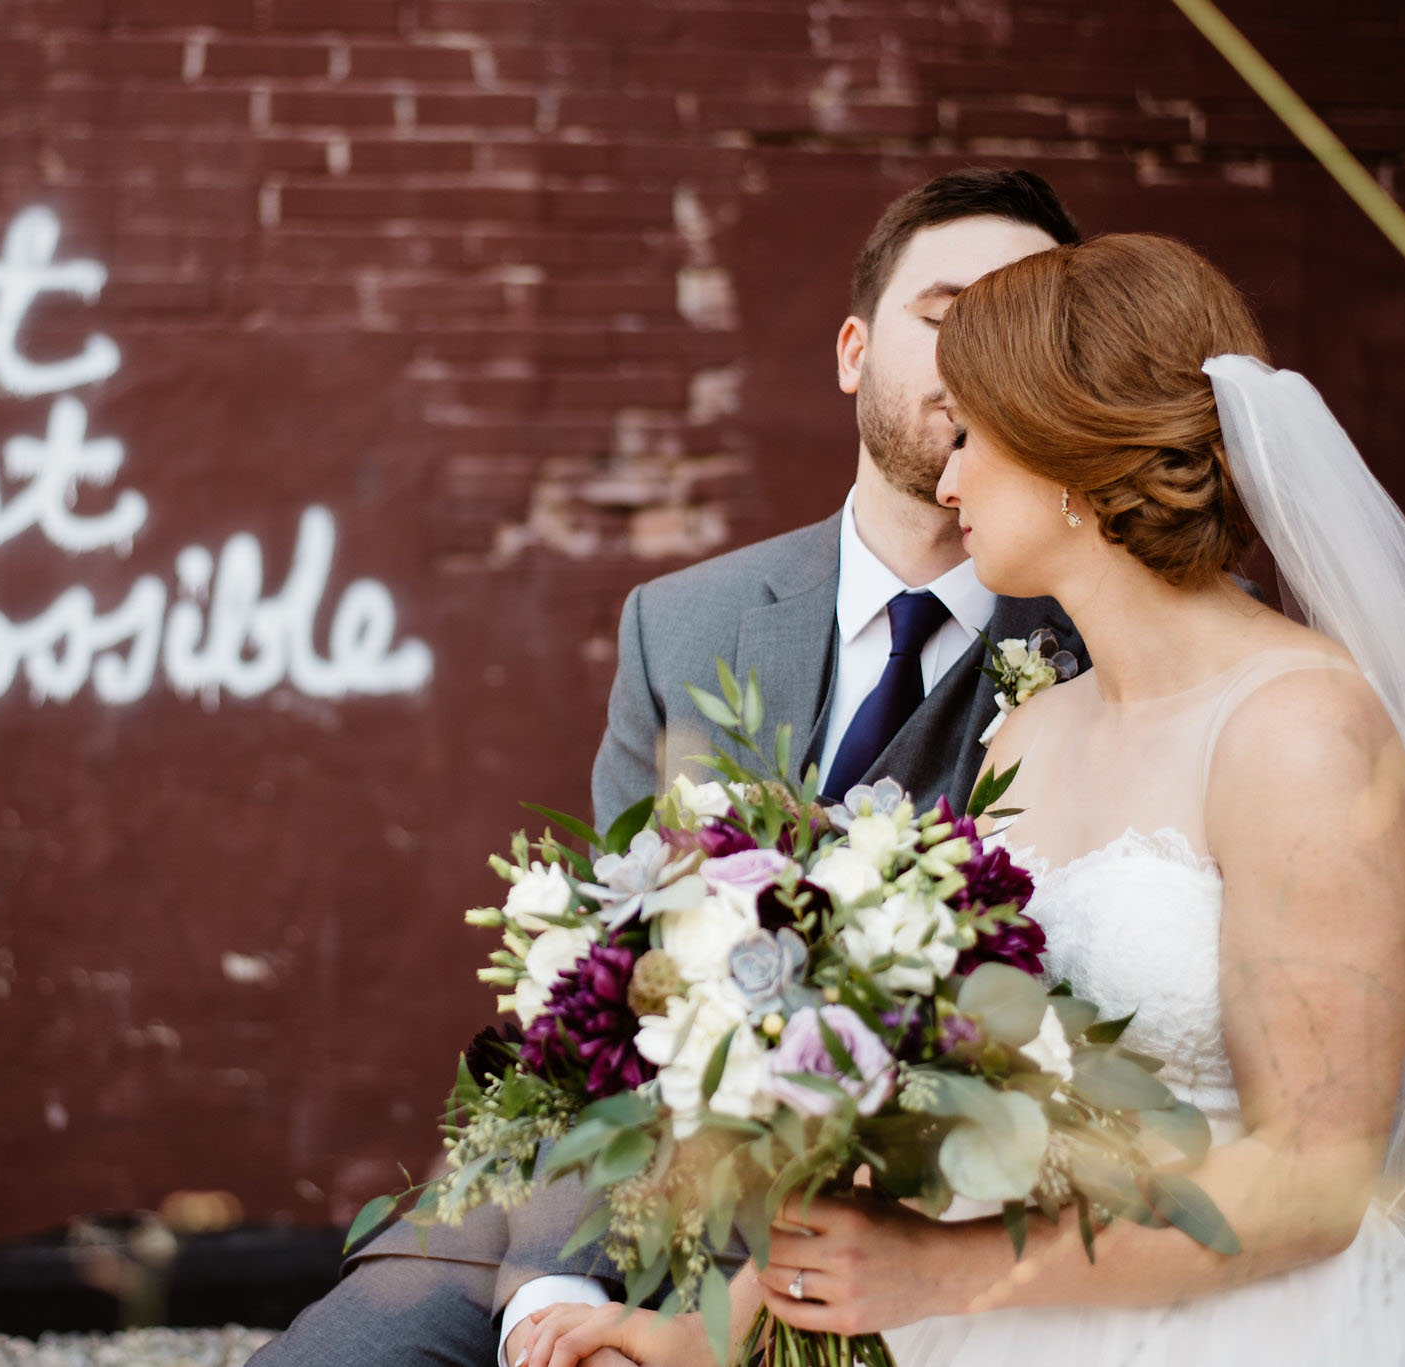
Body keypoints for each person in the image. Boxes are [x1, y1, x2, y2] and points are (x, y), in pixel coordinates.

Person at [510, 233, 1405, 1367]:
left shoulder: (1299, 730)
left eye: (971, 435)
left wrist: (952, 1273)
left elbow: (1313, 1178)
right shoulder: (1027, 732)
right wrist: (696, 1336)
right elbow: (930, 1105)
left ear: (1067, 453)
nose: (944, 479)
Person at [251, 167, 1089, 1367]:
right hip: (596, 1191)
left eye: (1025, 322)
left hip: (880, 1254)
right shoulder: (682, 623)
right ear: (852, 350)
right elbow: (600, 1000)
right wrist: (543, 1295)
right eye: (947, 312)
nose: (982, 354)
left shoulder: (1101, 639)